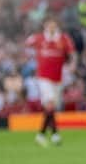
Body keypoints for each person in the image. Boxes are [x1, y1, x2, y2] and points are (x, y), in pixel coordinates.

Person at [25, 16, 74, 147]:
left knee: (51, 108)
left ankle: (43, 134)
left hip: (57, 78)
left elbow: (72, 53)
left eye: (53, 24)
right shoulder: (39, 38)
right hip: (43, 77)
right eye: (49, 25)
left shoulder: (63, 39)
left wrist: (73, 65)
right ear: (45, 26)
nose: (51, 27)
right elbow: (27, 43)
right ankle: (55, 135)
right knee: (50, 104)